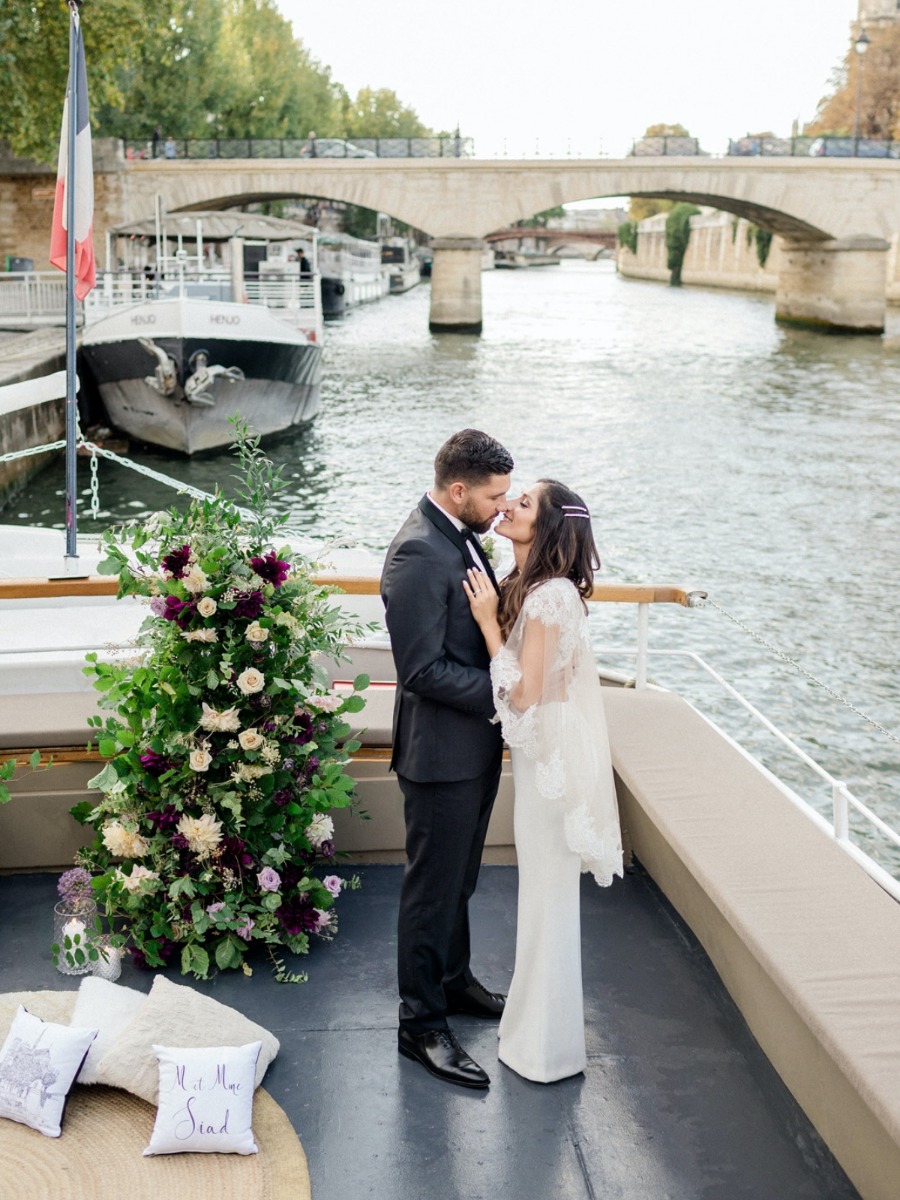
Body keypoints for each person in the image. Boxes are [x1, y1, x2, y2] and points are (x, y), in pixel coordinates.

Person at [463, 479, 624, 1083]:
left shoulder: (550, 596)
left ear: (550, 527)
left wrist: (486, 623)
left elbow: (526, 693)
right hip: (545, 756)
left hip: (550, 763)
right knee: (543, 898)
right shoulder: (540, 589)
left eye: (523, 503)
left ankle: (547, 1050)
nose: (507, 505)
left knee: (548, 900)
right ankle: (536, 1036)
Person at [381, 429, 515, 1090]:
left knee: (460, 879)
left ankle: (456, 982)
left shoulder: (459, 535)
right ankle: (421, 1025)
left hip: (475, 746)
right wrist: (507, 691)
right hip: (439, 755)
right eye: (493, 497)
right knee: (431, 892)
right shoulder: (416, 552)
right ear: (457, 490)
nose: (501, 508)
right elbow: (421, 670)